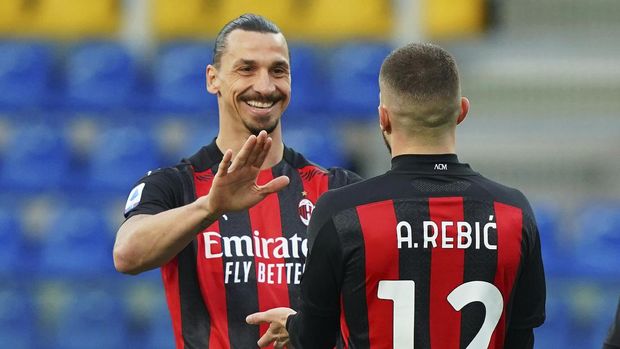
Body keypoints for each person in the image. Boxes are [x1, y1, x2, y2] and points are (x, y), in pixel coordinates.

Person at [246, 42, 546, 349]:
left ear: (383, 118)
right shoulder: (513, 212)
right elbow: (522, 336)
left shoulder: (342, 213)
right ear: (462, 111)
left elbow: (314, 339)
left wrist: (293, 326)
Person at [113, 14, 360, 349]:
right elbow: (127, 255)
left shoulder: (338, 189)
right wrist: (210, 207)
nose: (264, 86)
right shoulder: (174, 186)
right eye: (246, 69)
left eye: (278, 70)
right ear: (213, 79)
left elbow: (380, 301)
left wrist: (307, 330)